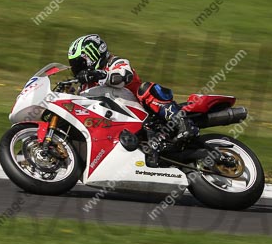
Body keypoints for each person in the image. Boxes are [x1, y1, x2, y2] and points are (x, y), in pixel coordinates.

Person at [67, 33, 198, 165]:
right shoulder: (85, 86)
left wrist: (98, 74)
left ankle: (182, 121)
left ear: (92, 55)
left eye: (80, 63)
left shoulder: (114, 62)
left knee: (146, 88)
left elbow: (124, 75)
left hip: (142, 112)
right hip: (115, 123)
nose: (78, 70)